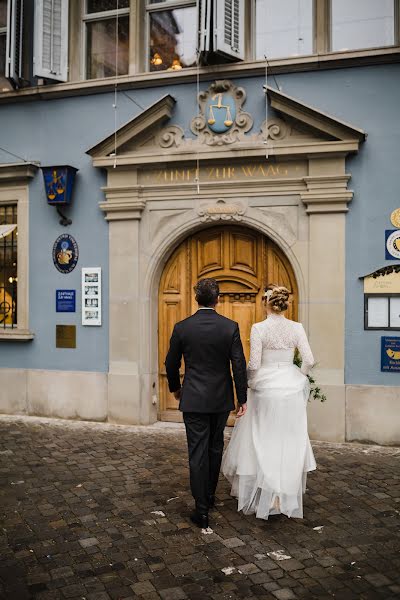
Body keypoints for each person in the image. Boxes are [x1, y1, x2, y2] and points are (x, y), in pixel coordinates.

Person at [222, 283, 316, 520]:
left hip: (265, 390)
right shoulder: (296, 327)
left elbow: (253, 364)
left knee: (261, 440)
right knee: (287, 440)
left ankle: (263, 491)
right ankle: (281, 494)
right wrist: (298, 377)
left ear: (266, 303)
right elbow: (309, 359)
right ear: (284, 304)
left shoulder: (259, 328)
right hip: (290, 389)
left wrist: (252, 383)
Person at [165, 278, 247, 529]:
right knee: (214, 447)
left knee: (197, 452)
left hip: (193, 399)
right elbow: (238, 364)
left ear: (196, 298)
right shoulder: (229, 327)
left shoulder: (182, 327)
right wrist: (241, 398)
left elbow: (170, 363)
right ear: (218, 299)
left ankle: (201, 509)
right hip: (220, 399)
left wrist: (176, 389)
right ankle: (209, 498)